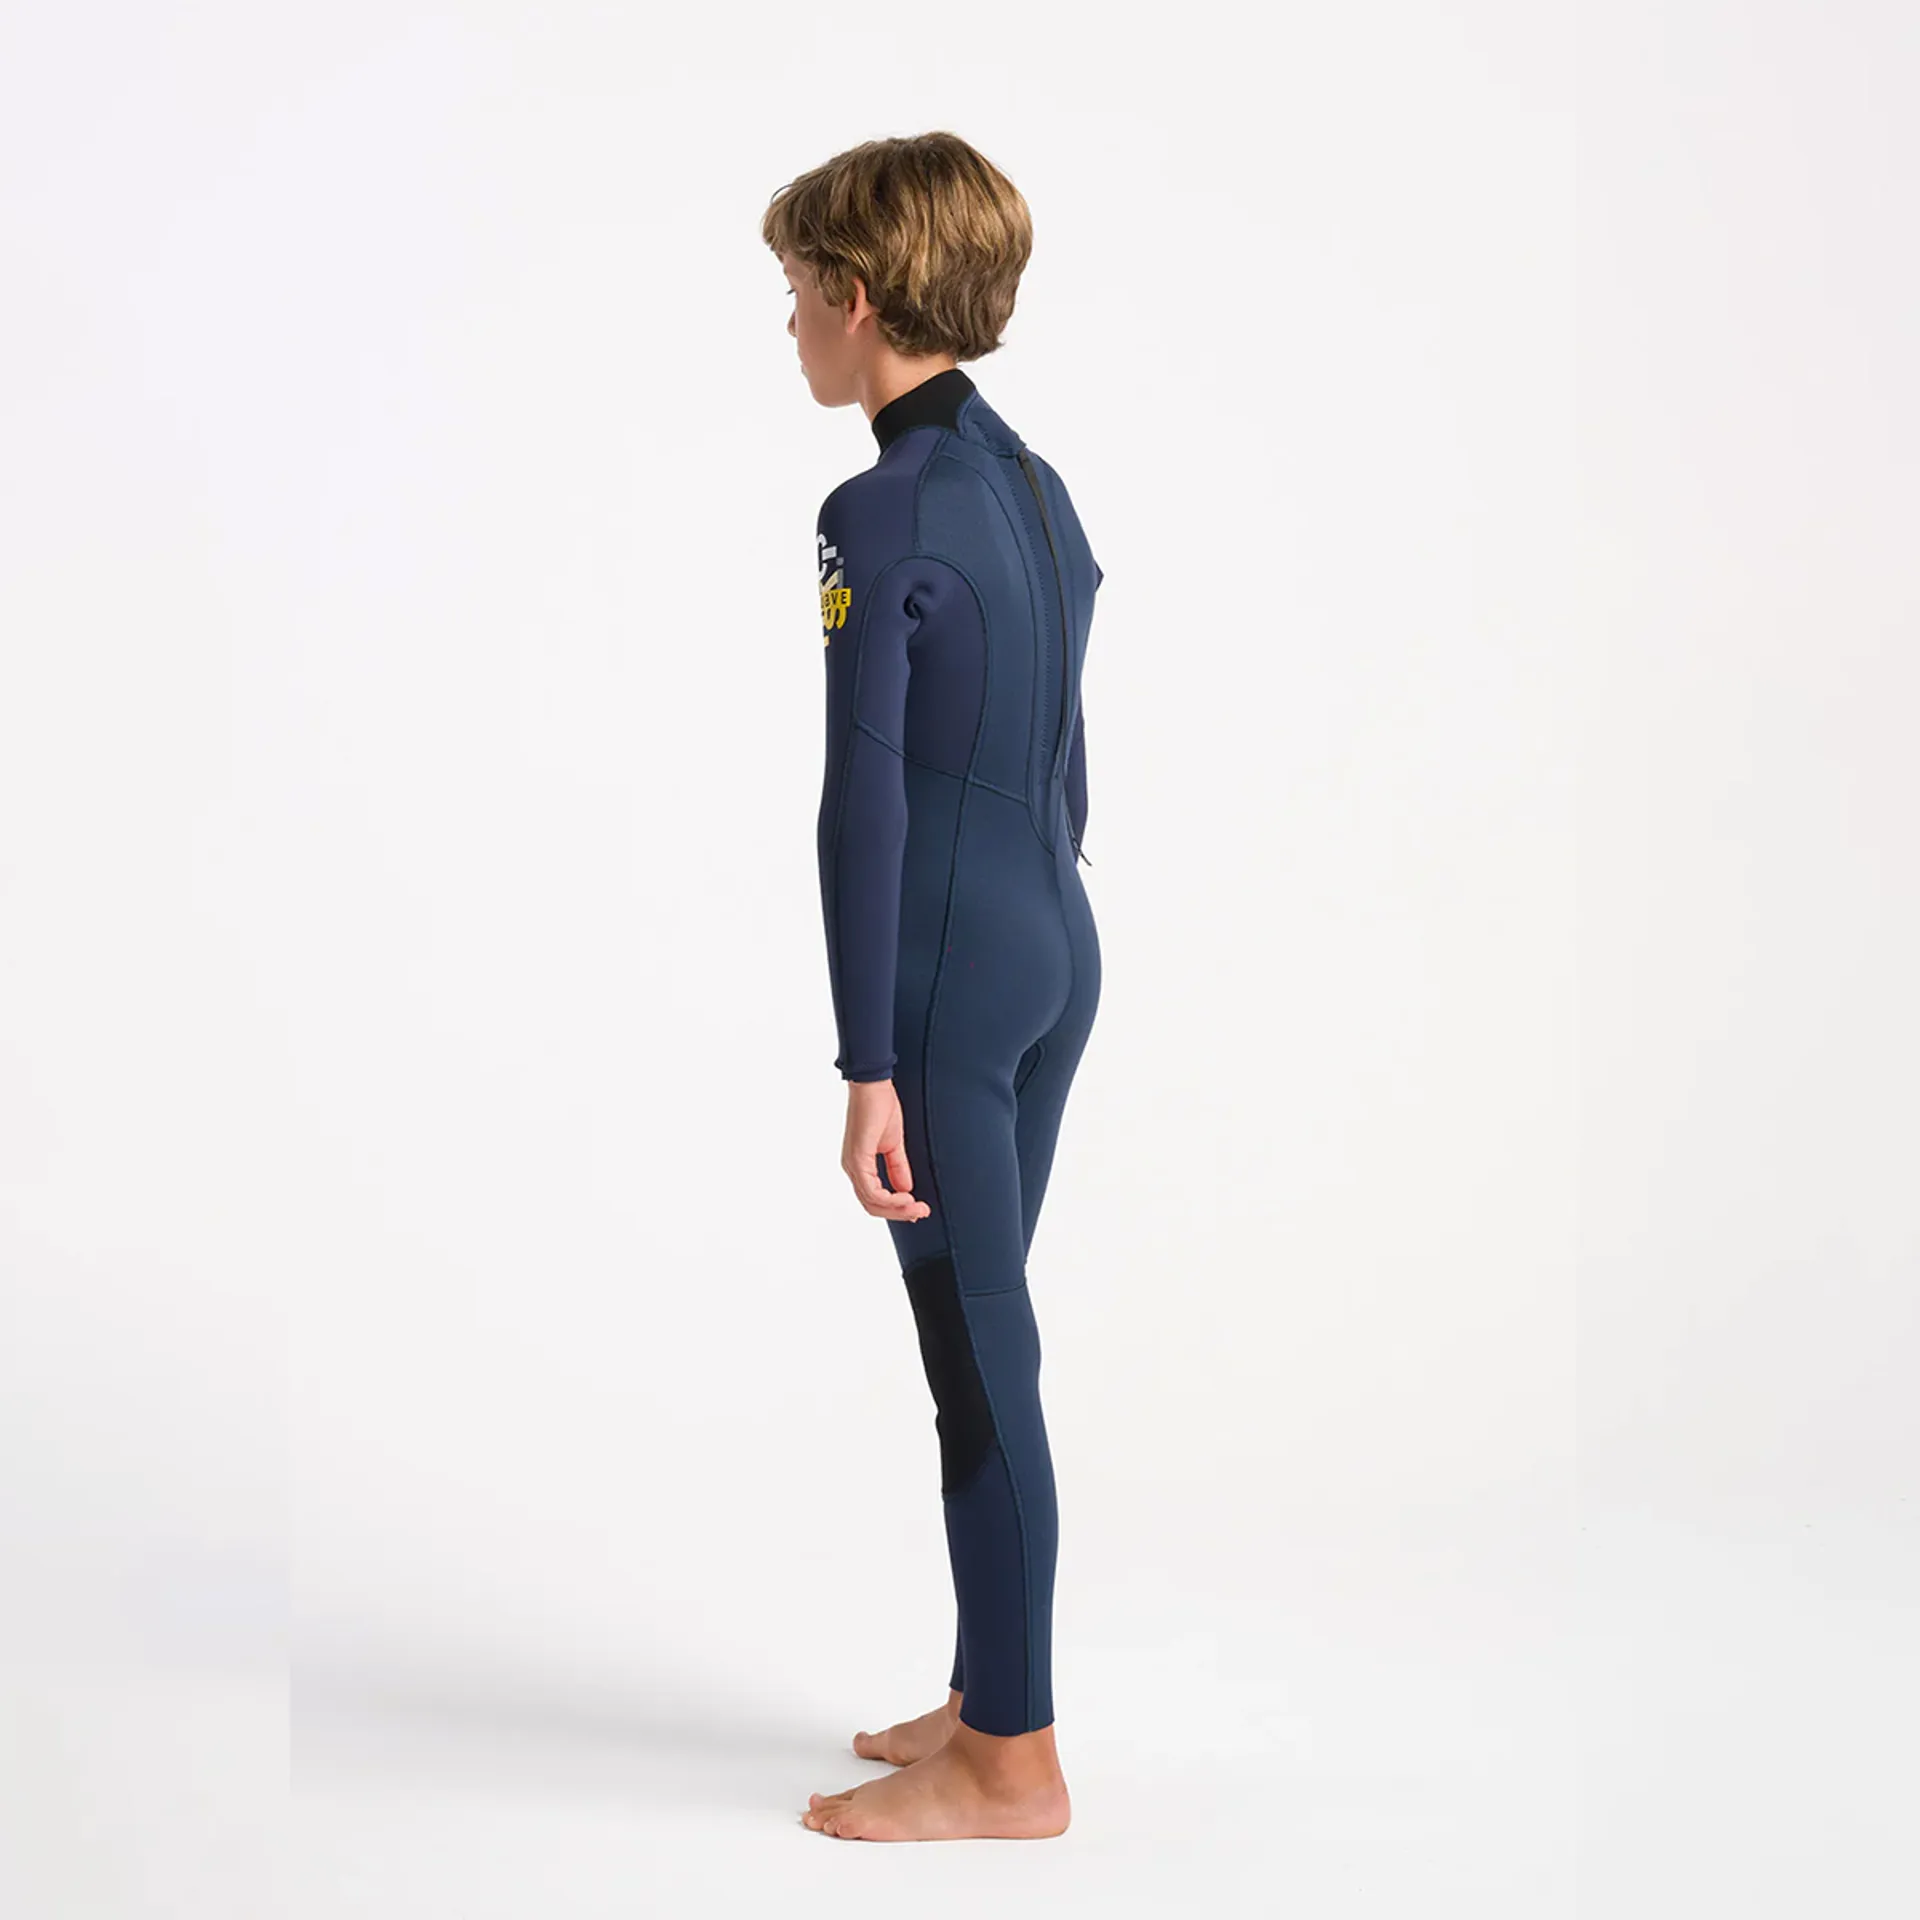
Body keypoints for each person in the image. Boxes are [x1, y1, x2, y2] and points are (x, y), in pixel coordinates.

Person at [763, 131, 1103, 1844]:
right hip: (1053, 944)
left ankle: (1013, 1764)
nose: (787, 327)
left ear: (856, 294)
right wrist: (1035, 921)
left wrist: (868, 1060)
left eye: (793, 293)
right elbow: (1064, 746)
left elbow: (866, 800)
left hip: (953, 981)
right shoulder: (1032, 484)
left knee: (979, 1366)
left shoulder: (878, 507)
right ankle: (987, 1692)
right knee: (983, 1333)